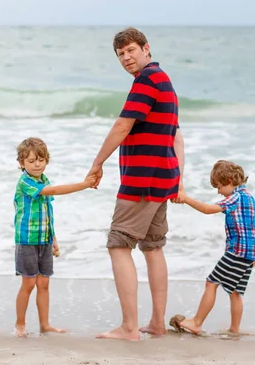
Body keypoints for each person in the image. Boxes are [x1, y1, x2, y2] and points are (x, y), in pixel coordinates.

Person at [87, 27, 185, 341]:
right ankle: (156, 323)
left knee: (118, 244)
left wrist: (97, 162)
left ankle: (130, 328)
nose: (127, 58)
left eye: (131, 50)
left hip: (142, 178)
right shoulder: (165, 81)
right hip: (163, 176)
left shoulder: (147, 81)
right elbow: (176, 135)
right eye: (120, 54)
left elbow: (122, 125)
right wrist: (177, 178)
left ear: (146, 48)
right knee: (153, 247)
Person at [13, 137, 96, 337]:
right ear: (21, 163)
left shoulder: (44, 179)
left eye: (40, 160)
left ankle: (45, 324)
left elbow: (47, 211)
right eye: (31, 161)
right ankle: (20, 325)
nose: (36, 164)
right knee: (29, 283)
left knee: (44, 283)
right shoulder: (25, 182)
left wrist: (54, 239)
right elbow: (55, 191)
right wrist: (83, 185)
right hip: (27, 239)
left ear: (46, 160)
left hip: (45, 239)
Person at [171, 160, 255, 335]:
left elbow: (207, 209)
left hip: (236, 251)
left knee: (211, 282)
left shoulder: (234, 197)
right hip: (249, 254)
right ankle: (234, 329)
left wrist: (186, 199)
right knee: (235, 291)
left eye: (219, 187)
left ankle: (197, 322)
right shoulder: (250, 198)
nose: (219, 192)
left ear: (228, 180)